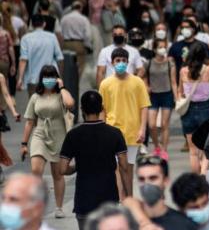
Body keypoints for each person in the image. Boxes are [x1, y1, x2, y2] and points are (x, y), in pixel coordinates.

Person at [59, 90, 129, 229]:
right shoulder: (115, 133)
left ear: (82, 109)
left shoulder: (73, 135)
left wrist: (76, 167)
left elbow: (62, 169)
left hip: (84, 199)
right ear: (102, 109)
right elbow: (124, 165)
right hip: (109, 198)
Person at [20, 65, 73, 219]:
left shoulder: (61, 95)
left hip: (59, 135)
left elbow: (70, 104)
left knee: (57, 174)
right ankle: (36, 205)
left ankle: (58, 207)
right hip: (40, 134)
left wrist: (62, 87)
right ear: (41, 79)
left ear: (56, 78)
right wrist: (24, 144)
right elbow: (29, 122)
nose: (48, 80)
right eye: (45, 77)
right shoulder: (35, 97)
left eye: (51, 76)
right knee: (36, 170)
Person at [99, 47, 151, 199]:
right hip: (112, 131)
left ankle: (129, 198)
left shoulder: (137, 82)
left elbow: (144, 107)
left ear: (128, 62)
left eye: (123, 60)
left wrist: (142, 129)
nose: (121, 63)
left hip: (132, 133)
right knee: (115, 168)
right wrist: (103, 130)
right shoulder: (105, 84)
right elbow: (102, 109)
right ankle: (120, 200)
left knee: (128, 168)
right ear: (112, 63)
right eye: (117, 61)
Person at [122, 156, 197, 230]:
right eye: (142, 179)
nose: (147, 184)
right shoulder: (125, 221)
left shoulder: (184, 224)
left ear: (165, 181)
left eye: (153, 178)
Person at [178, 41, 209, 174]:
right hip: (205, 108)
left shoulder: (183, 71)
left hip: (188, 111)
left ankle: (197, 177)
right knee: (207, 147)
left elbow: (181, 92)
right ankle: (204, 173)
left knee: (193, 151)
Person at [144, 38, 177, 159]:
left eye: (164, 46)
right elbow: (143, 76)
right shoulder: (149, 63)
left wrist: (176, 97)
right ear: (154, 49)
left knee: (164, 124)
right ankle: (157, 146)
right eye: (160, 47)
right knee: (152, 124)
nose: (162, 49)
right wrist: (146, 86)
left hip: (167, 94)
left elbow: (173, 81)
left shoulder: (170, 63)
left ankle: (164, 150)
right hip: (153, 95)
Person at [17, 14, 64, 95]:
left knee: (35, 103)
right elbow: (60, 58)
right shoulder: (52, 37)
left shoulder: (25, 38)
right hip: (50, 77)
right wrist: (60, 76)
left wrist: (20, 78)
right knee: (49, 102)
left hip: (33, 79)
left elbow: (23, 60)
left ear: (31, 24)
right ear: (44, 24)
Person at [168, 19, 209, 88]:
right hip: (181, 82)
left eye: (187, 27)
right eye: (182, 28)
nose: (184, 29)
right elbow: (170, 65)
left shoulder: (202, 45)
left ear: (194, 29)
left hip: (200, 82)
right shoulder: (175, 46)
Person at [60, 0, 92, 77]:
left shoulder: (64, 18)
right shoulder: (84, 19)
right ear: (80, 8)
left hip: (66, 44)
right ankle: (76, 84)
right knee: (79, 67)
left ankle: (68, 83)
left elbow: (60, 32)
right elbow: (87, 35)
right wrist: (88, 46)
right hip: (79, 44)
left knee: (67, 65)